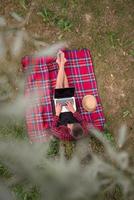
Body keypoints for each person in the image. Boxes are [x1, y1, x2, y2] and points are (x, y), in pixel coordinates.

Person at [51, 51, 90, 141]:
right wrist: (73, 111)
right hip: (72, 111)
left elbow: (53, 128)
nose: (69, 124)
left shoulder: (64, 135)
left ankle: (61, 63)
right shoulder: (84, 129)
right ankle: (61, 63)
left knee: (59, 88)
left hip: (60, 113)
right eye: (72, 124)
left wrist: (57, 113)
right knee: (66, 88)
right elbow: (83, 121)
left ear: (70, 132)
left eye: (69, 127)